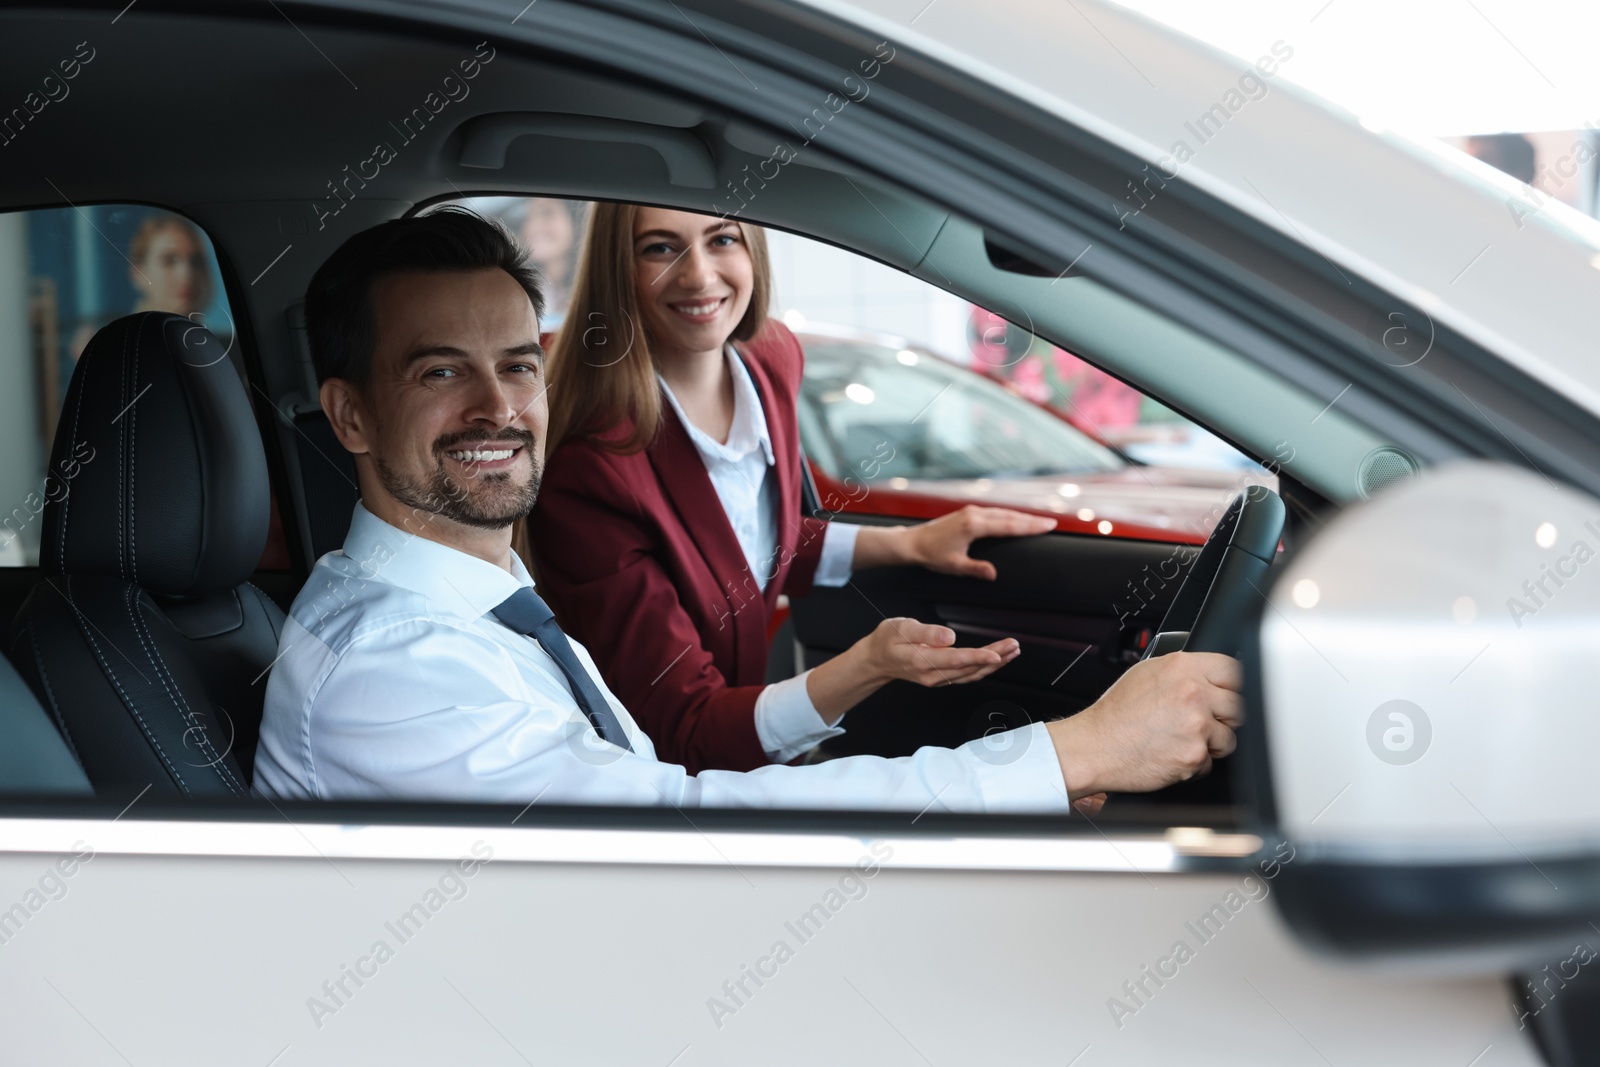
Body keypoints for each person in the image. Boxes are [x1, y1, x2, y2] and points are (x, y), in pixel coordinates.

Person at [251, 208, 1243, 813]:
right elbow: (666, 830)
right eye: (440, 371)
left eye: (517, 364)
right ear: (351, 413)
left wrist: (904, 543)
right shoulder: (393, 665)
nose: (500, 407)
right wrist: (1068, 750)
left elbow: (762, 541)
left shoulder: (477, 592)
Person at [528, 205, 1057, 775]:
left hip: (744, 744)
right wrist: (868, 665)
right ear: (618, 269)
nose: (700, 275)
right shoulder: (593, 471)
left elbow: (749, 542)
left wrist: (911, 544)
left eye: (722, 239)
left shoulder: (769, 360)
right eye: (660, 247)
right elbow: (685, 730)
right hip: (663, 779)